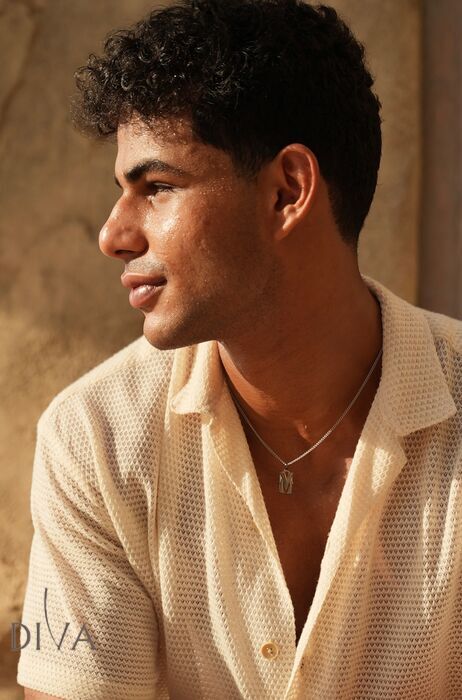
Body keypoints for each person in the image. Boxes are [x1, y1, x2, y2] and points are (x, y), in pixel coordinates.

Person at [17, 1, 462, 698]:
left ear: (287, 191)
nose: (113, 235)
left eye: (157, 187)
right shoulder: (97, 439)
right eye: (122, 191)